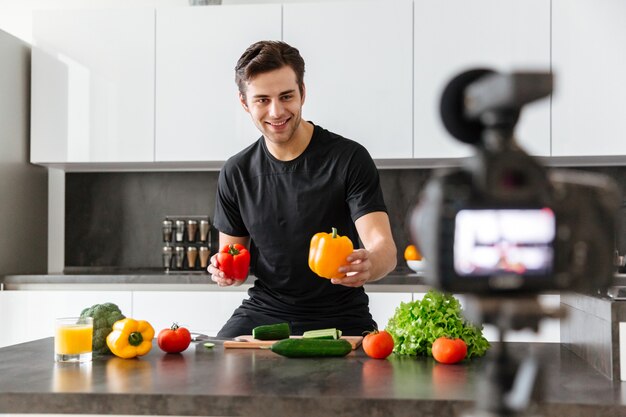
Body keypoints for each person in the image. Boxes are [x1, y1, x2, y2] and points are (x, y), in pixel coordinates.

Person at [208, 40, 397, 337]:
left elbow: (384, 248)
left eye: (286, 96)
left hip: (342, 313)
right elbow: (232, 255)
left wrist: (371, 264)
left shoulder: (348, 158)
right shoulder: (236, 172)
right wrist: (223, 272)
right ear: (245, 103)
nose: (276, 111)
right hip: (264, 310)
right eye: (262, 100)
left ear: (303, 93)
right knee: (217, 369)